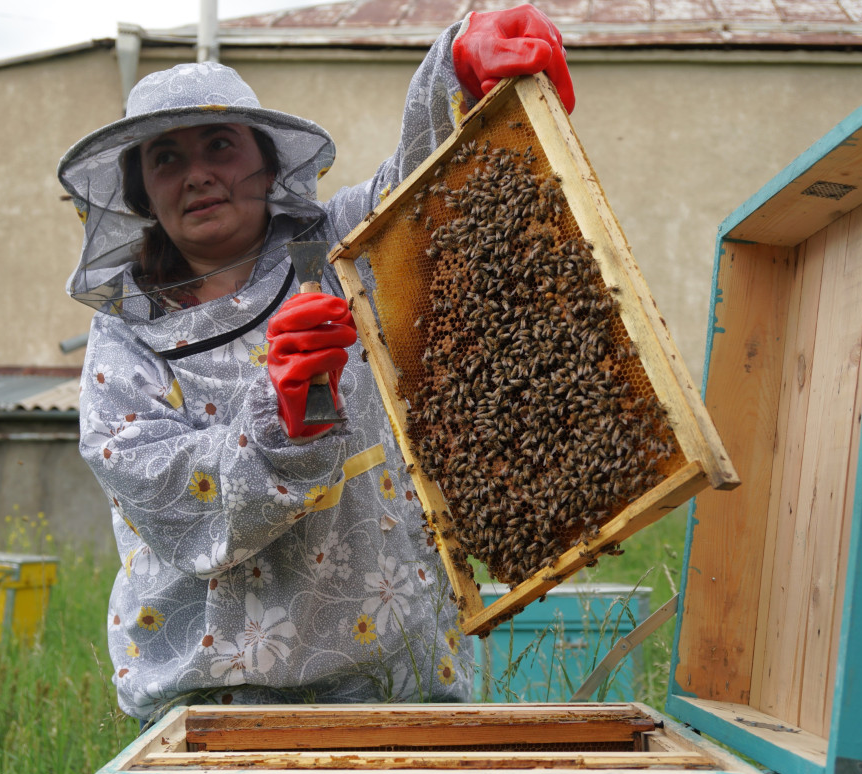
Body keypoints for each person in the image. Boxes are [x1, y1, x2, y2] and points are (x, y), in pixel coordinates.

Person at [57, 4, 574, 728]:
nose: (198, 174)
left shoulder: (333, 247)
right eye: (166, 158)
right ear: (142, 193)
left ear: (267, 162)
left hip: (403, 670)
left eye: (220, 145)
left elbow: (424, 182)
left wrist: (460, 70)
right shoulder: (127, 334)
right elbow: (163, 490)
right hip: (220, 695)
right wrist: (281, 428)